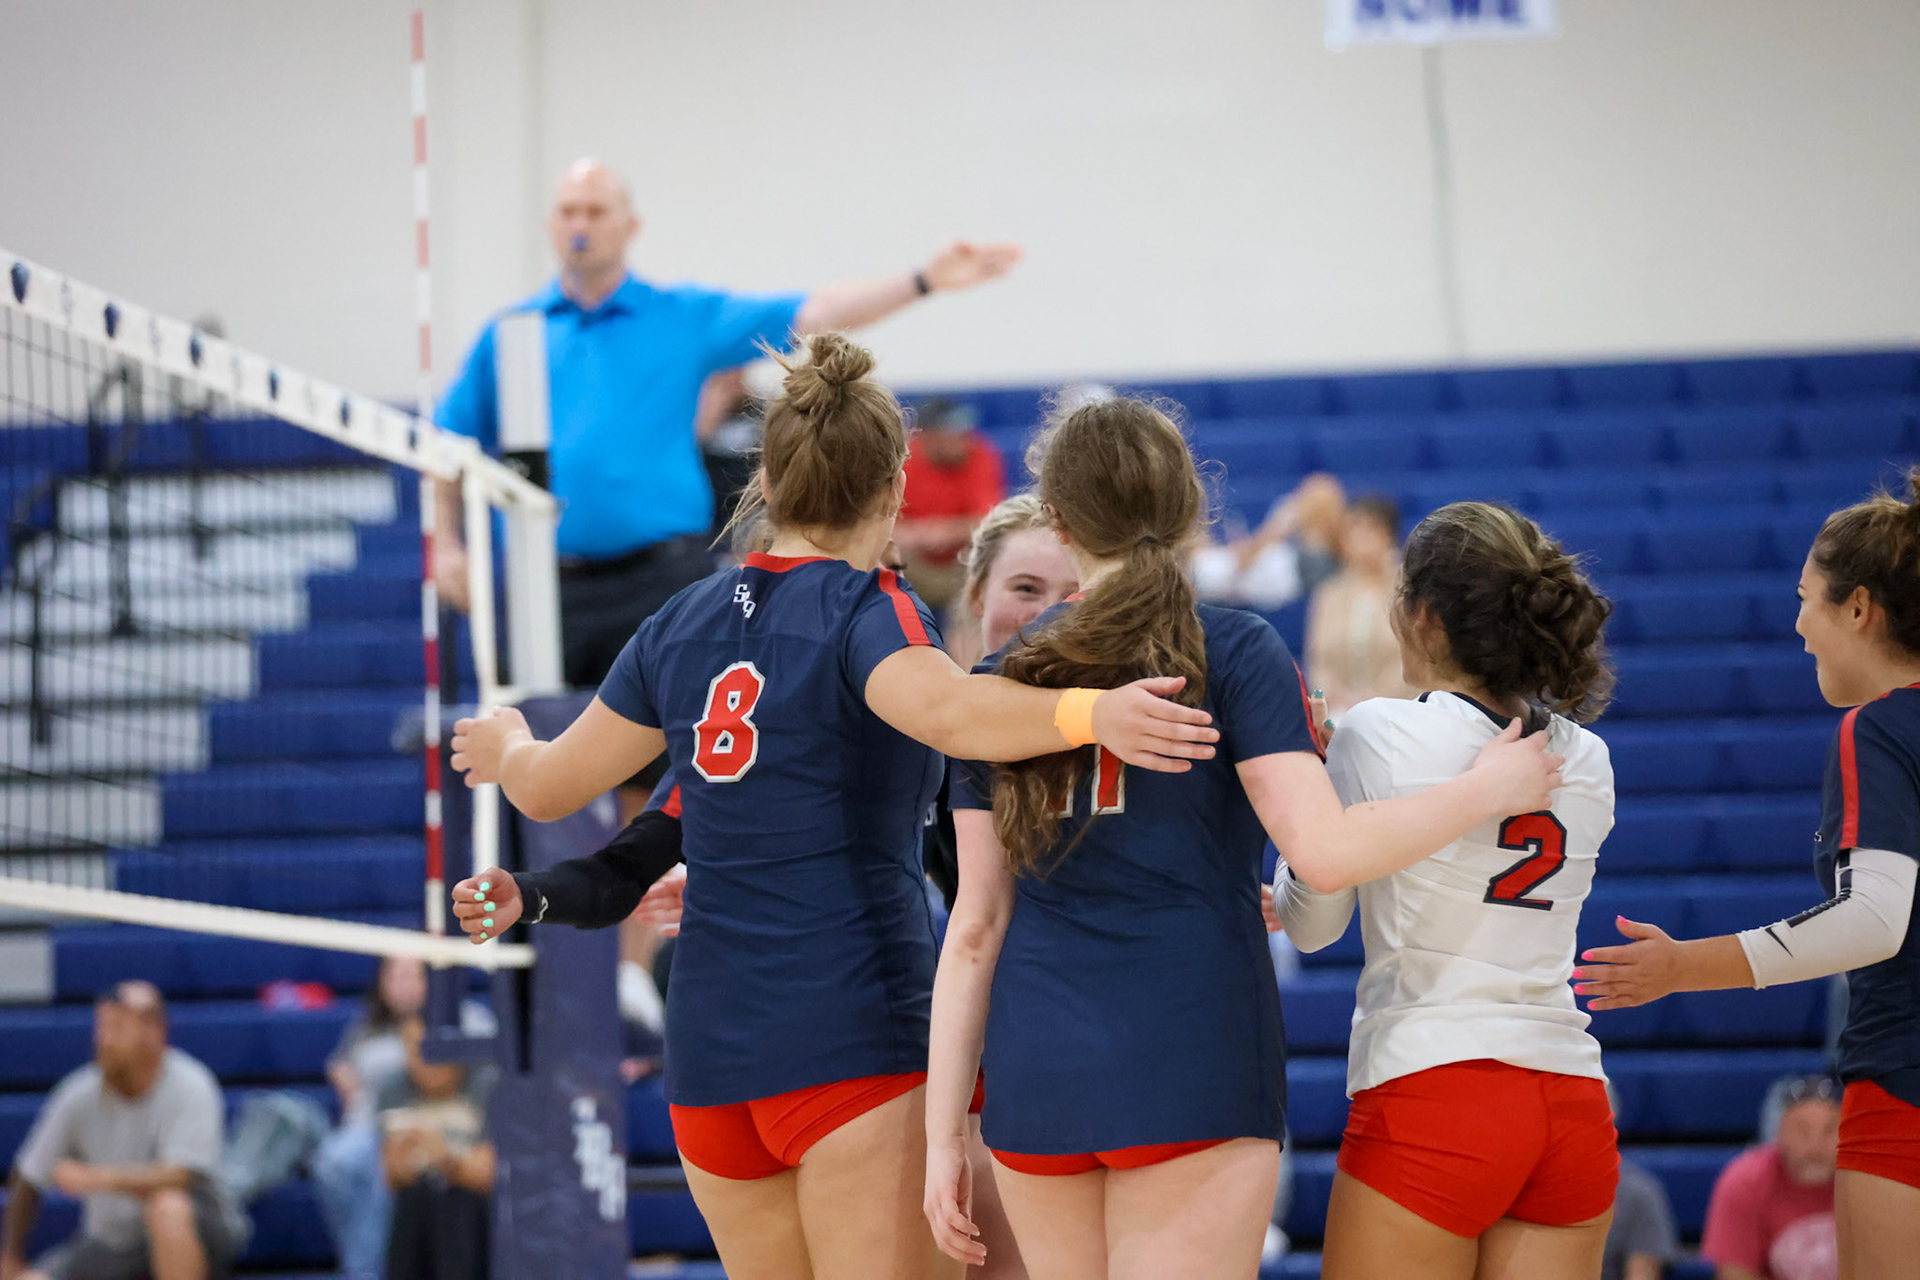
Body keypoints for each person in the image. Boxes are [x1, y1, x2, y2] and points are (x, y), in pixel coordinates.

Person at [444, 333, 1220, 1279]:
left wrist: (508, 748)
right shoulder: (866, 608)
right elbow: (950, 713)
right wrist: (1097, 711)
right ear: (895, 489)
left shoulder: (677, 623)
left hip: (713, 1069)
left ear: (767, 481)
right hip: (850, 1036)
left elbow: (551, 787)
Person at [923, 400, 1565, 1279]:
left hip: (1039, 1069)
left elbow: (973, 930)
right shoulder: (1232, 648)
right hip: (1193, 1050)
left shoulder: (996, 683)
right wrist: (1484, 790)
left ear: (1061, 523)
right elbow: (1326, 854)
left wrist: (943, 1139)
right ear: (1189, 508)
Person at [434, 158, 1022, 694]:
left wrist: (922, 280)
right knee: (540, 754)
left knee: (667, 754)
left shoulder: (678, 317)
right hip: (542, 587)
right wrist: (446, 542)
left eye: (595, 210)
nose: (580, 224)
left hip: (658, 578)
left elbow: (813, 312)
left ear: (629, 225)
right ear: (551, 224)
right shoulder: (513, 334)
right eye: (568, 211)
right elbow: (450, 437)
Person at [1572, 469, 1920, 1280]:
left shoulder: (1878, 728)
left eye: (1805, 598)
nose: (1797, 625)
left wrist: (1684, 966)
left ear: (1859, 608)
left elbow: (1874, 918)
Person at [1273, 501, 1618, 1280]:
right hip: (1571, 1096)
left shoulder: (1376, 732)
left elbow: (1312, 924)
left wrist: (1308, 808)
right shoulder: (1590, 759)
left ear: (1425, 618)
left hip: (1436, 1086)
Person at [0, 982, 246, 1280]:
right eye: (101, 1028)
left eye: (116, 1028)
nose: (104, 1040)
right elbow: (29, 1174)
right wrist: (11, 1255)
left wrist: (95, 1178)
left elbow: (180, 1175)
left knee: (167, 1207)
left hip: (198, 1230)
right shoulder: (79, 1091)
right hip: (111, 1243)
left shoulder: (191, 1084)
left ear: (154, 1032)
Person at [380, 1017, 496, 1280]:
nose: (427, 1061)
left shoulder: (488, 1086)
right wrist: (402, 1155)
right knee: (414, 1195)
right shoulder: (395, 1090)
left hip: (478, 1211)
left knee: (455, 1197)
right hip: (420, 1208)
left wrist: (445, 1158)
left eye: (433, 1050)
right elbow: (393, 1178)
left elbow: (492, 1176)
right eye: (416, 1050)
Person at [1698, 1074, 1841, 1280]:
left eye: (1829, 1131)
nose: (1815, 1147)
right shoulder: (1745, 1181)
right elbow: (1735, 1275)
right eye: (1801, 1131)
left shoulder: (1869, 1181)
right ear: (1779, 1133)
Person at [1304, 493, 1417, 717]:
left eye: (1370, 529)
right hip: (1339, 712)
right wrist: (1335, 697)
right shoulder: (1329, 593)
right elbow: (1318, 661)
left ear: (1390, 535)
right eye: (1353, 530)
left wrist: (1372, 699)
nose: (1361, 538)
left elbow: (1415, 657)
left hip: (1399, 711)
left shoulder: (1410, 591)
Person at [892, 399, 1007, 610]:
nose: (962, 439)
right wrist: (918, 534)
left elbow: (991, 521)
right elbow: (881, 524)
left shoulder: (979, 453)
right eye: (951, 432)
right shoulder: (903, 461)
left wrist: (946, 532)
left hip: (962, 563)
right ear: (928, 437)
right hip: (913, 564)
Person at [1191, 472, 1347, 612]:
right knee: (1320, 491)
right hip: (1295, 571)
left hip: (1292, 561)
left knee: (1320, 489)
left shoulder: (1213, 557)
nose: (1202, 533)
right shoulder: (1203, 570)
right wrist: (1277, 527)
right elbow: (1242, 566)